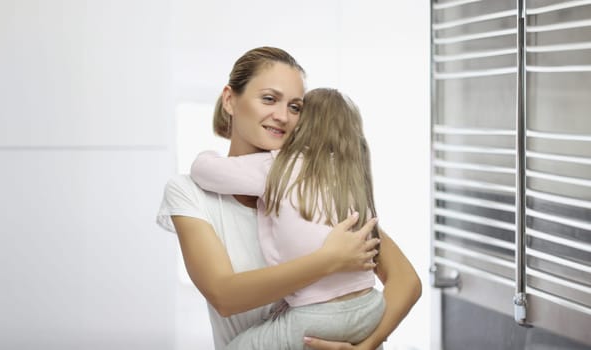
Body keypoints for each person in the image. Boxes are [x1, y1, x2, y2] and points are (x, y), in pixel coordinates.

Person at [156, 46, 421, 350]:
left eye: (295, 107)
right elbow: (225, 296)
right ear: (230, 100)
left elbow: (406, 281)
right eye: (269, 99)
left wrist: (365, 347)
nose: (282, 116)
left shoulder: (317, 185)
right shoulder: (189, 192)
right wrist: (327, 260)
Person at [190, 87, 385, 349]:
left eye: (295, 110)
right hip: (371, 308)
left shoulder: (279, 167)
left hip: (320, 317)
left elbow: (204, 172)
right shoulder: (351, 176)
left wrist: (207, 154)